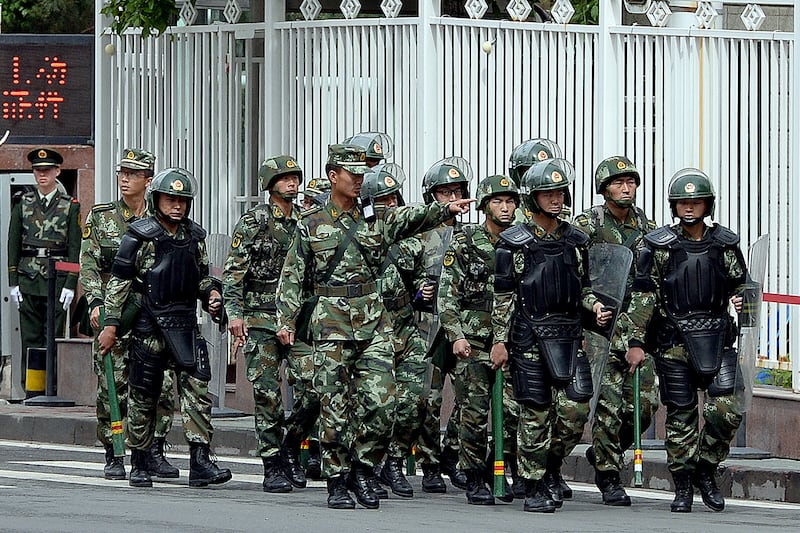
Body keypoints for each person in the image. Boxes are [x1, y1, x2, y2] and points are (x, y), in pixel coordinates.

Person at [275, 144, 473, 510]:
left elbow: (411, 217)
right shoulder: (311, 225)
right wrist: (285, 321)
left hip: (373, 324)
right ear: (334, 176)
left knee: (384, 404)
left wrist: (444, 209)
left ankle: (364, 468)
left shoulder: (376, 219)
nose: (359, 181)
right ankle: (337, 479)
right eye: (352, 175)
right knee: (334, 406)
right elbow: (292, 277)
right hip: (331, 326)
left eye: (362, 175)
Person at [621, 168, 748, 513]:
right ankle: (682, 485)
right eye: (683, 202)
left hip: (718, 339)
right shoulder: (658, 246)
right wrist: (636, 341)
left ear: (708, 205)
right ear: (674, 206)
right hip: (674, 342)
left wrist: (743, 303)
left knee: (728, 409)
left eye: (696, 201)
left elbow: (743, 285)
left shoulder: (725, 243)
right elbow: (643, 296)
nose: (689, 208)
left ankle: (705, 468)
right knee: (681, 417)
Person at [490, 158, 612, 513]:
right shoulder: (513, 243)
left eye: (560, 192)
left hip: (569, 336)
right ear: (533, 198)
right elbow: (504, 297)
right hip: (528, 338)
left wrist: (594, 307)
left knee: (575, 408)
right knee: (535, 413)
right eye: (547, 194)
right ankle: (533, 484)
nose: (556, 199)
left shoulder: (576, 239)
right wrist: (500, 341)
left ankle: (550, 466)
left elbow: (583, 287)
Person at [98, 167, 231, 488]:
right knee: (144, 395)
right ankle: (141, 461)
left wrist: (212, 295)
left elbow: (202, 276)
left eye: (183, 200)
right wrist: (111, 325)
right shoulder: (139, 235)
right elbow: (119, 283)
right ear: (157, 198)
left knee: (199, 392)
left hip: (185, 324)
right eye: (171, 199)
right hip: (150, 326)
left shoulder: (195, 237)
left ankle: (200, 461)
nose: (177, 205)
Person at [79, 148, 179, 481]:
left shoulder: (162, 218)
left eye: (133, 174)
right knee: (113, 385)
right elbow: (90, 264)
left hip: (153, 312)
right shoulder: (102, 216)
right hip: (114, 312)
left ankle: (152, 450)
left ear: (149, 181)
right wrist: (95, 302)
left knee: (159, 385)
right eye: (122, 172)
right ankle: (114, 450)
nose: (124, 179)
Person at [222, 155, 318, 493]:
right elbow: (233, 274)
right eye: (284, 177)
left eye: (295, 176)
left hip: (296, 318)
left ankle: (291, 443)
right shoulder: (254, 221)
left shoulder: (305, 222)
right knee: (266, 394)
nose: (292, 182)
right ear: (270, 184)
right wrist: (234, 315)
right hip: (259, 317)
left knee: (316, 387)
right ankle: (273, 463)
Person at [572, 156, 659, 506]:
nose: (627, 188)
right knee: (607, 404)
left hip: (636, 327)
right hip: (600, 327)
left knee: (645, 405)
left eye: (632, 182)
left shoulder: (649, 228)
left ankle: (606, 451)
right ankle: (608, 476)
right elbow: (574, 273)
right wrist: (589, 306)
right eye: (619, 182)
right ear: (604, 187)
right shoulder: (588, 224)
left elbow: (655, 278)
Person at [438, 175, 521, 505]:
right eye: (498, 202)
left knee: (514, 414)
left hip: (512, 342)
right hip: (473, 342)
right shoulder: (466, 241)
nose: (505, 207)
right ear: (485, 205)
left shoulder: (521, 242)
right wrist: (455, 336)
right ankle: (474, 475)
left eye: (510, 201)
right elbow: (447, 294)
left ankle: (493, 467)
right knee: (472, 414)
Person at [359, 163, 426, 498]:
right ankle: (366, 466)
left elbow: (423, 280)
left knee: (414, 402)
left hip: (405, 328)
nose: (390, 204)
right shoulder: (357, 234)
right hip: (369, 333)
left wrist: (423, 292)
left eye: (393, 198)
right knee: (376, 404)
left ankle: (395, 463)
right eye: (382, 199)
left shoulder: (411, 241)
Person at [414, 157, 472, 493]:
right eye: (444, 193)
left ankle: (453, 453)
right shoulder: (419, 235)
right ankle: (430, 464)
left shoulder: (471, 236)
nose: (452, 199)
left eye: (457, 192)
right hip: (427, 327)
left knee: (467, 396)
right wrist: (418, 292)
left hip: (461, 327)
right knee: (429, 399)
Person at [7, 148, 81, 392]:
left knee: (53, 337)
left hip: (57, 279)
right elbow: (13, 242)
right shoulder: (23, 203)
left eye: (47, 170)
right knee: (30, 338)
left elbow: (74, 246)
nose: (42, 175)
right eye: (38, 170)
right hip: (28, 277)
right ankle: (33, 389)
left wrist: (71, 282)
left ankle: (52, 387)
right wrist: (13, 280)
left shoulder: (69, 206)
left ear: (57, 172)